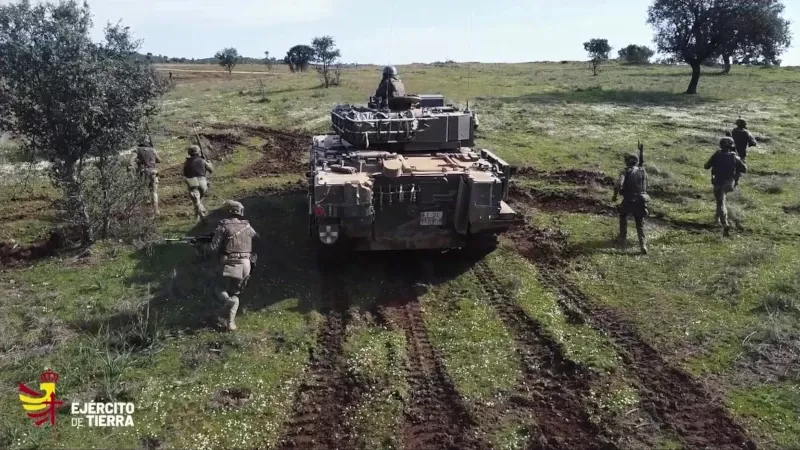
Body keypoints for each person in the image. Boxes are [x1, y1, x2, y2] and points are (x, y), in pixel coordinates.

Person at [208, 200, 259, 331]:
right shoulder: (248, 226)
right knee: (234, 292)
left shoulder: (223, 225)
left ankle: (227, 303)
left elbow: (213, 248)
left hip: (230, 264)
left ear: (227, 211)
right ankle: (230, 323)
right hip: (246, 265)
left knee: (218, 287)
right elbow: (255, 239)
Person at [704, 137, 747, 237]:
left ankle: (725, 223)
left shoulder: (716, 155)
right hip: (729, 183)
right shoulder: (734, 157)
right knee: (720, 200)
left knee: (721, 202)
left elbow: (706, 166)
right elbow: (744, 169)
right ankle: (717, 217)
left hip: (718, 182)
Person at [612, 153, 649, 255]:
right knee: (640, 223)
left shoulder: (625, 172)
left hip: (629, 199)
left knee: (623, 216)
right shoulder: (642, 171)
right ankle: (643, 245)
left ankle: (622, 239)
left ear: (627, 162)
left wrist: (615, 196)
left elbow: (619, 184)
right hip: (641, 200)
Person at [183, 145, 214, 222]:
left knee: (197, 201)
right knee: (199, 200)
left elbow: (185, 174)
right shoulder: (202, 160)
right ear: (198, 152)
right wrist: (209, 163)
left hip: (192, 182)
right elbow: (211, 170)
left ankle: (202, 216)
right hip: (203, 182)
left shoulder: (186, 163)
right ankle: (197, 217)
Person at [132, 136, 161, 215]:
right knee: (154, 192)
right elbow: (159, 160)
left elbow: (131, 161)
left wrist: (138, 162)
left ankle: (144, 212)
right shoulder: (153, 150)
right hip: (153, 172)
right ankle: (156, 210)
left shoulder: (137, 150)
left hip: (143, 173)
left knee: (142, 191)